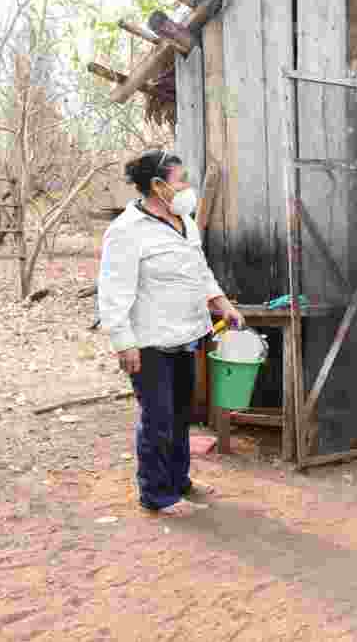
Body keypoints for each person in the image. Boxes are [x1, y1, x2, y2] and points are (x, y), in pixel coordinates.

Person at [99, 149, 245, 517]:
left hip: (186, 335)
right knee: (158, 418)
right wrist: (123, 343)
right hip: (149, 342)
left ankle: (179, 481)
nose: (187, 187)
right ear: (158, 186)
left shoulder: (185, 222)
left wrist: (222, 303)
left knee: (181, 415)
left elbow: (200, 270)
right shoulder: (126, 232)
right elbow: (114, 293)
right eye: (180, 180)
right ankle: (156, 494)